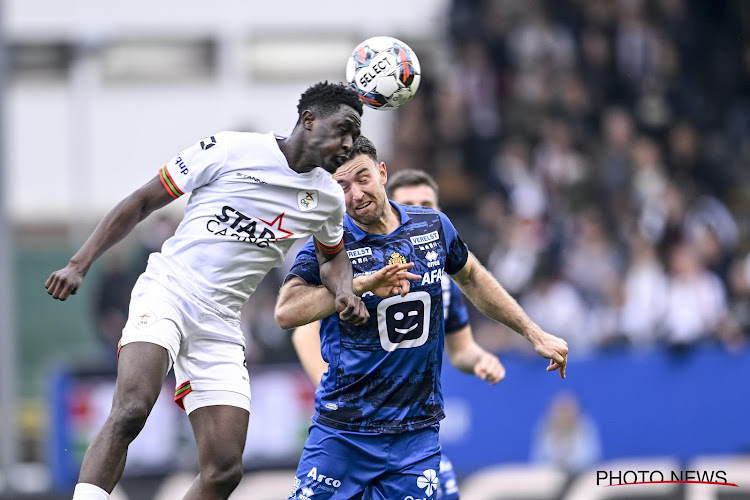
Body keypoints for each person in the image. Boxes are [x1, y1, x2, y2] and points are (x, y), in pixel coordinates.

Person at [44, 82, 390, 500]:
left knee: (224, 469)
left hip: (221, 322)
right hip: (168, 291)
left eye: (354, 136)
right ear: (309, 120)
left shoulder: (328, 198)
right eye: (343, 130)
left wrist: (343, 292)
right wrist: (79, 263)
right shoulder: (229, 150)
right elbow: (142, 201)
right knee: (133, 407)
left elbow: (332, 258)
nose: (348, 143)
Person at [275, 136, 569, 499]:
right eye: (342, 187)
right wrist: (361, 285)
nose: (355, 194)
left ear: (382, 173)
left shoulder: (433, 227)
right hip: (343, 434)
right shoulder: (329, 245)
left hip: (414, 437)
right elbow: (287, 311)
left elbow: (474, 278)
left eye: (363, 178)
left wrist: (534, 333)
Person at [291, 168, 506, 500]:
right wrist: (333, 386)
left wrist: (480, 360)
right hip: (351, 429)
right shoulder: (343, 254)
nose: (419, 211)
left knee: (448, 490)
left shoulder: (442, 286)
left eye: (426, 203)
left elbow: (461, 349)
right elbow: (302, 327)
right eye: (411, 203)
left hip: (412, 433)